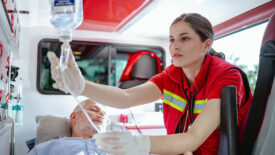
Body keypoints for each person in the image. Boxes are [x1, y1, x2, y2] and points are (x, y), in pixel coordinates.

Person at [47, 13, 252, 155]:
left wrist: (139, 144)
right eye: (171, 40)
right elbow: (126, 97)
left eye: (185, 38)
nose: (175, 46)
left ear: (206, 44)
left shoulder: (226, 76)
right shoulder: (172, 75)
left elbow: (194, 137)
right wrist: (82, 86)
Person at [27, 100, 107, 155]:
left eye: (105, 114)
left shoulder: (115, 149)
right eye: (94, 110)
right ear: (73, 117)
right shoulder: (46, 148)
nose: (102, 115)